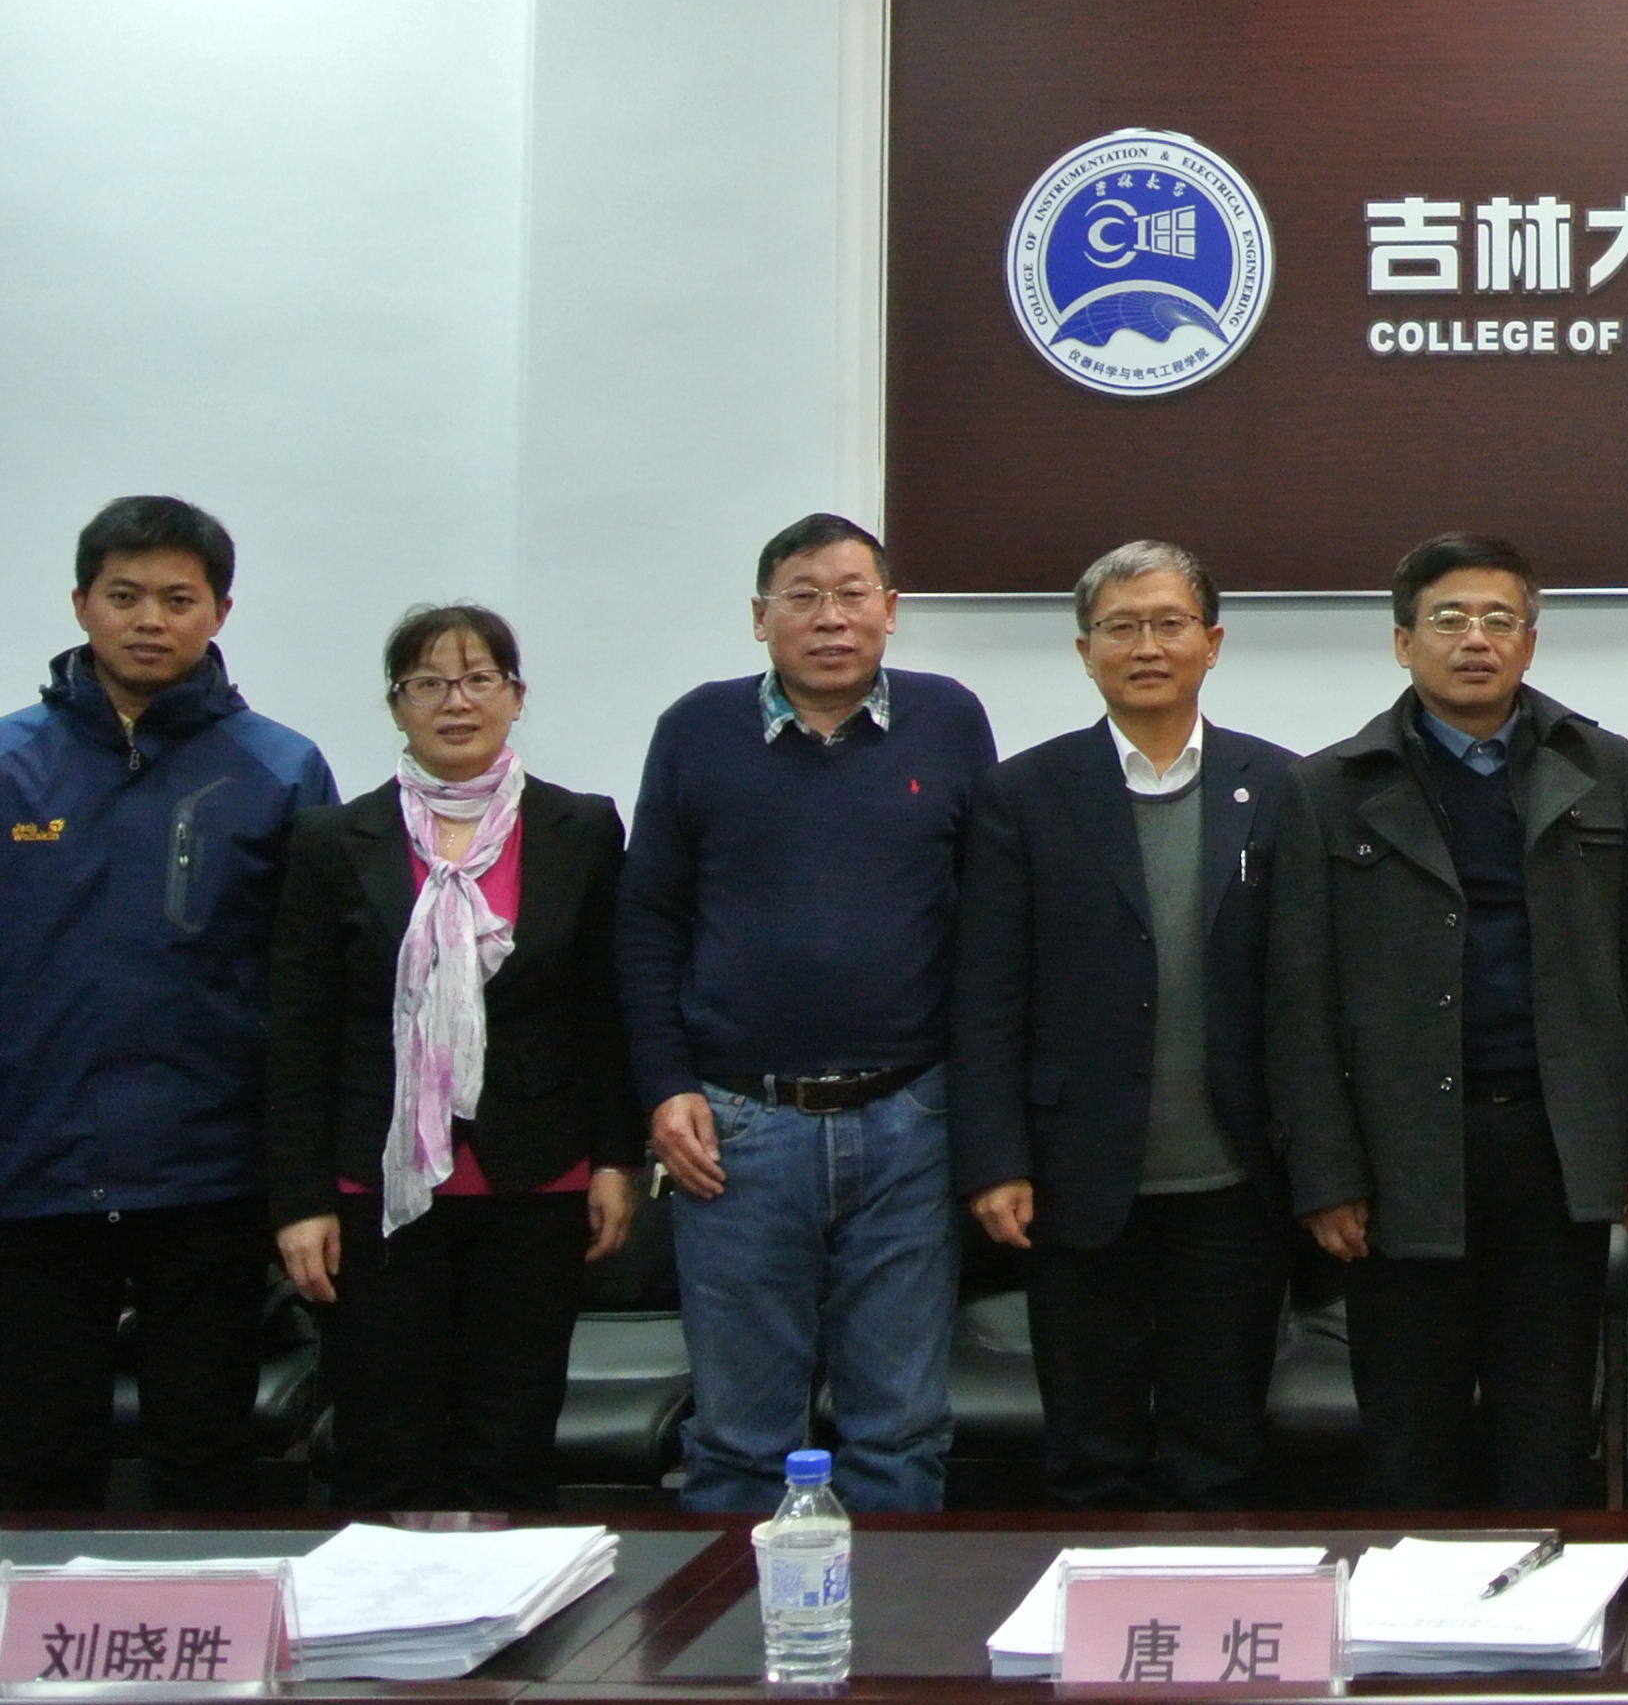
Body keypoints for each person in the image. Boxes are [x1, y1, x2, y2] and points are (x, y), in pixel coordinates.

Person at [1272, 533, 1628, 1507]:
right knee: (1412, 1440)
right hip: (1401, 1156)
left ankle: (1548, 1604)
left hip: (1553, 1146)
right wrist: (1326, 1174)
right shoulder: (1326, 790)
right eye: (1448, 619)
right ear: (1402, 642)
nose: (1475, 640)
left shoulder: (1603, 771)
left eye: (1500, 620)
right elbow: (1297, 1001)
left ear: (1530, 642)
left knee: (1548, 1437)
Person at [619, 513, 998, 1511]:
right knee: (740, 1437)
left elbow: (989, 924)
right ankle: (739, 1615)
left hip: (911, 1119)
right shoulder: (696, 729)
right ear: (761, 618)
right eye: (803, 597)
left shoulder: (949, 720)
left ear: (890, 609)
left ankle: (894, 1614)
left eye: (851, 593)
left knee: (900, 1429)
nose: (830, 618)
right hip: (737, 1127)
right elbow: (647, 922)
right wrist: (663, 1086)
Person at [954, 539, 1308, 1507]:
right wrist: (994, 1160)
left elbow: (1306, 992)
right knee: (1090, 1454)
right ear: (1085, 652)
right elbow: (987, 996)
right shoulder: (1023, 795)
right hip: (1076, 1180)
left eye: (1168, 624)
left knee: (1221, 1451)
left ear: (1212, 642)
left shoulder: (1282, 787)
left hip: (1234, 1181)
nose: (1146, 647)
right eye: (1120, 628)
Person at [264, 604, 642, 1510]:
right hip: (376, 1194)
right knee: (385, 1446)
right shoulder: (334, 840)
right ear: (396, 705)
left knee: (510, 1442)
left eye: (479, 680)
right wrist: (300, 1200)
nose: (456, 702)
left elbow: (605, 1010)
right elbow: (299, 1032)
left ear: (517, 696)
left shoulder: (581, 829)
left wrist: (617, 1158)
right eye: (428, 683)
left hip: (536, 1180)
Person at [0, 496, 336, 1509]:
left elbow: (315, 988)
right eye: (125, 596)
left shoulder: (279, 769)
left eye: (178, 599)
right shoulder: (12, 766)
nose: (150, 619)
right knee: (34, 1460)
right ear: (81, 604)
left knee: (205, 1458)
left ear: (219, 613)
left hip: (209, 1177)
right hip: (33, 1170)